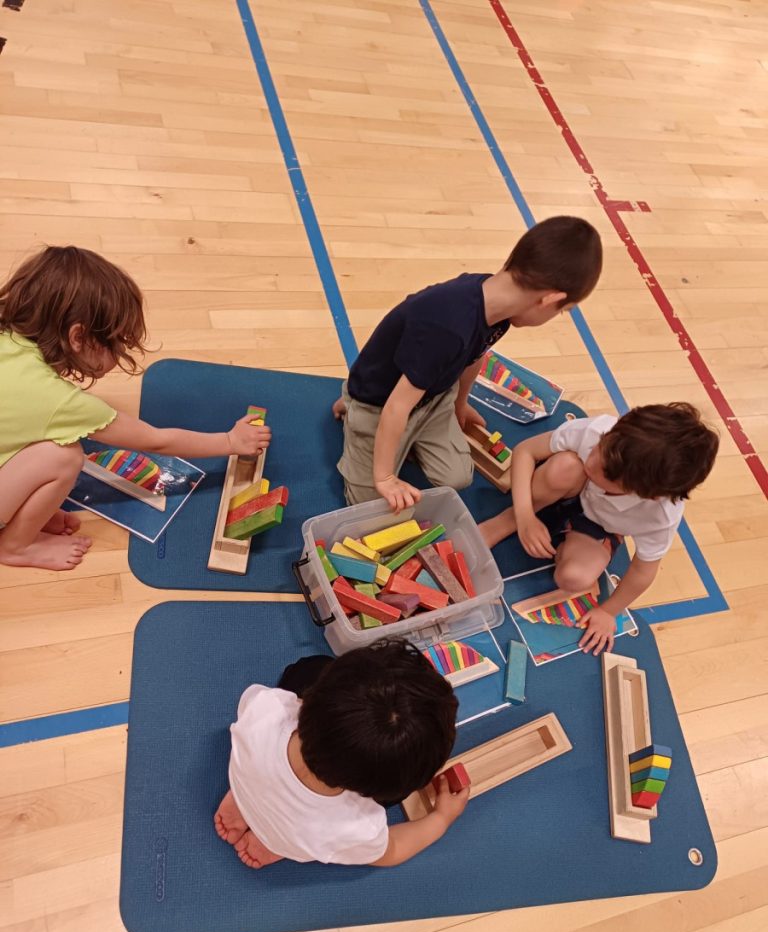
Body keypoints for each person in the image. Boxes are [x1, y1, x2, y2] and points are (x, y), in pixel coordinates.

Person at [0, 246, 270, 570]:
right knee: (64, 457)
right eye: (117, 342)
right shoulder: (59, 401)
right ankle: (15, 546)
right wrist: (229, 441)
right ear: (78, 337)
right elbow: (157, 441)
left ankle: (22, 516)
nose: (119, 353)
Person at [332, 216, 603, 511]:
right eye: (563, 310)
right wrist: (384, 478)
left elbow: (474, 357)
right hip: (382, 403)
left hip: (432, 397)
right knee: (369, 503)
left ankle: (402, 436)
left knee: (457, 476)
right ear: (550, 299)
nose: (556, 315)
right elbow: (397, 406)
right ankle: (354, 407)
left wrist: (459, 403)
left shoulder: (500, 308)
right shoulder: (447, 327)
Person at [479, 403, 719, 655]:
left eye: (607, 474)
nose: (592, 461)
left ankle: (567, 541)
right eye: (601, 446)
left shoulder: (660, 514)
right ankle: (507, 521)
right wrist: (524, 515)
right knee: (565, 466)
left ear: (646, 495)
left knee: (573, 578)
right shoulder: (597, 430)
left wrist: (608, 611)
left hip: (598, 526)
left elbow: (643, 570)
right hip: (568, 486)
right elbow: (525, 451)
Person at [213, 639, 469, 869]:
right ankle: (274, 843)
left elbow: (277, 705)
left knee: (311, 668)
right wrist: (440, 819)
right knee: (301, 833)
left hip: (253, 772)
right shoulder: (354, 828)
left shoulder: (265, 709)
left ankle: (245, 800)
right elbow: (391, 850)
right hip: (297, 837)